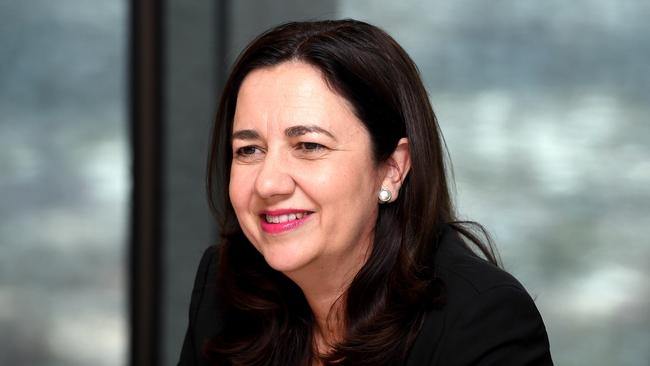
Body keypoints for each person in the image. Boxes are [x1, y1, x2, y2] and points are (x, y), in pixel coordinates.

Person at [179, 19, 553, 366]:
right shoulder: (223, 286)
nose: (268, 183)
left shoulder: (482, 321)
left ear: (392, 168)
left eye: (309, 146)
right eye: (249, 150)